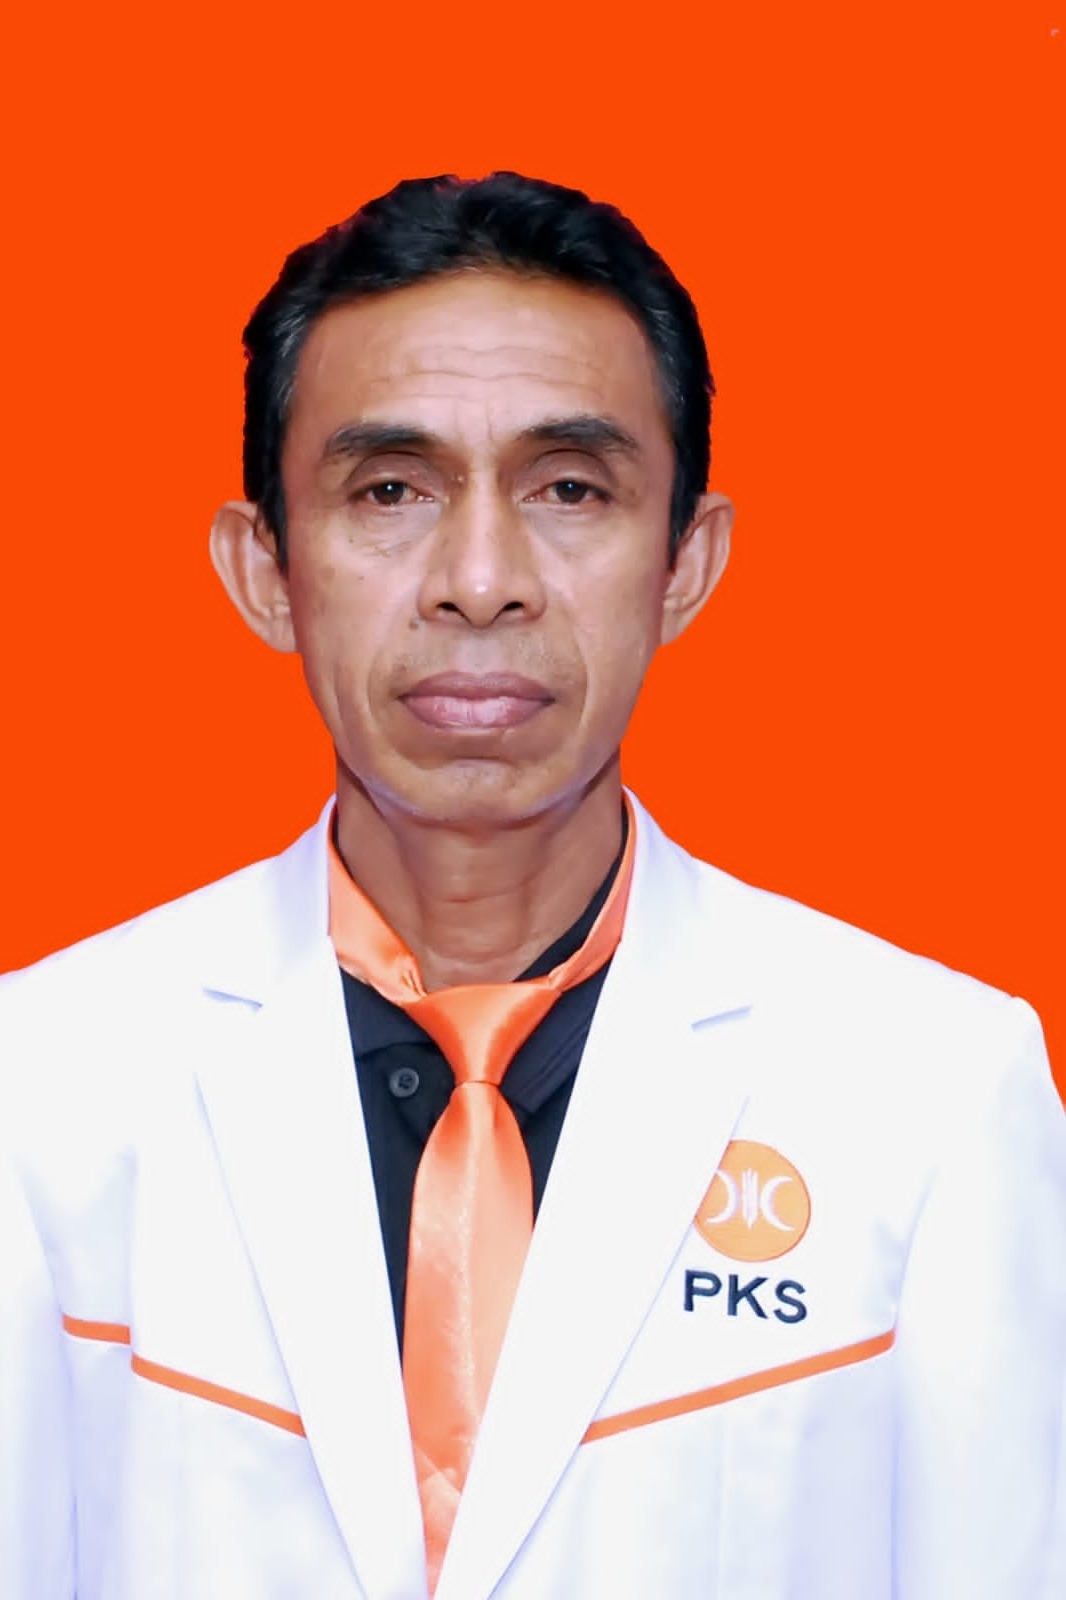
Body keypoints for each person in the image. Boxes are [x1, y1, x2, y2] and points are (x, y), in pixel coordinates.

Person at [1, 172, 1063, 1600]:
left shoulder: (931, 1090)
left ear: (685, 563)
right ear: (266, 572)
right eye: (390, 490)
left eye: (569, 488)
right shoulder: (43, 1084)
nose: (481, 578)